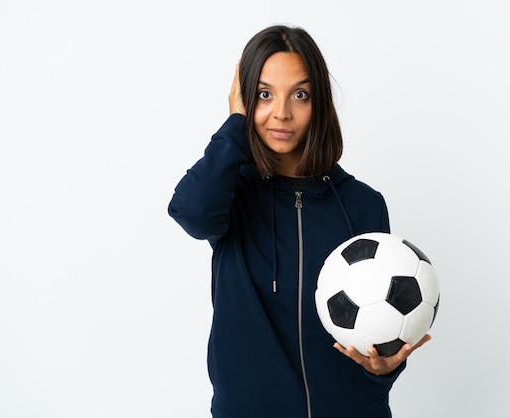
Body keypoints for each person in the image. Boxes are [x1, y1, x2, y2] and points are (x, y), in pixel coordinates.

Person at [168, 24, 430, 418]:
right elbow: (191, 213)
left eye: (300, 95)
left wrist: (384, 369)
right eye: (264, 94)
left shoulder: (363, 204)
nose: (282, 112)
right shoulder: (230, 194)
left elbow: (378, 329)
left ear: (319, 104)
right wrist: (235, 126)